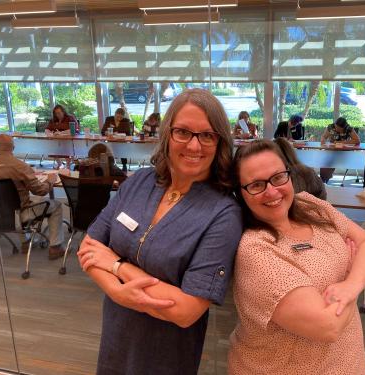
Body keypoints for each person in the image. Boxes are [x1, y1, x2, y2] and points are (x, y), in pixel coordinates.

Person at [76, 89, 243, 375]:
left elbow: (185, 310)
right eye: (183, 132)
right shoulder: (140, 182)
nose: (194, 145)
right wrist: (118, 293)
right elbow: (89, 248)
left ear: (219, 143)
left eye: (207, 135)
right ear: (167, 134)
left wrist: (118, 268)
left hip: (165, 355)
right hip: (116, 339)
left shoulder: (223, 213)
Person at [228, 139, 365, 374]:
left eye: (278, 177)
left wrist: (352, 283)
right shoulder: (256, 251)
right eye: (257, 185)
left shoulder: (310, 205)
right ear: (240, 193)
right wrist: (354, 272)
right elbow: (327, 325)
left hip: (348, 362)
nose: (272, 191)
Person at [0, 134, 65, 260]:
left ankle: (26, 242)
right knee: (55, 205)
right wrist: (50, 180)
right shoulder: (19, 166)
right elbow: (40, 191)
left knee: (17, 203)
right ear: (13, 148)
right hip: (17, 217)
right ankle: (55, 247)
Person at [319, 117, 361, 183]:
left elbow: (357, 140)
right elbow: (324, 136)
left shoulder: (348, 128)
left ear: (344, 127)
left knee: (330, 160)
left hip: (344, 152)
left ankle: (326, 178)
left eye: (339, 128)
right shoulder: (331, 127)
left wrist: (342, 142)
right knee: (325, 160)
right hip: (332, 150)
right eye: (336, 127)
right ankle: (324, 179)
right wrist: (323, 140)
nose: (336, 129)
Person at [47, 104, 79, 169]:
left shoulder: (70, 118)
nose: (58, 115)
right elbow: (47, 129)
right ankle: (60, 164)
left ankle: (68, 165)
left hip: (68, 140)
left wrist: (61, 133)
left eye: (59, 113)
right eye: (56, 113)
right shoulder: (53, 120)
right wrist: (50, 134)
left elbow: (74, 130)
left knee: (65, 146)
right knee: (51, 146)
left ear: (63, 111)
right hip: (56, 140)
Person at [102, 108, 132, 172]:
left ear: (123, 116)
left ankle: (124, 165)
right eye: (117, 116)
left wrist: (117, 133)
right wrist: (107, 132)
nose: (119, 118)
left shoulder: (126, 120)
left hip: (122, 142)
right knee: (108, 148)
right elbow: (103, 131)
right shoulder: (109, 119)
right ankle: (111, 164)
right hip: (111, 141)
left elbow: (128, 133)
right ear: (115, 114)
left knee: (123, 148)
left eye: (121, 117)